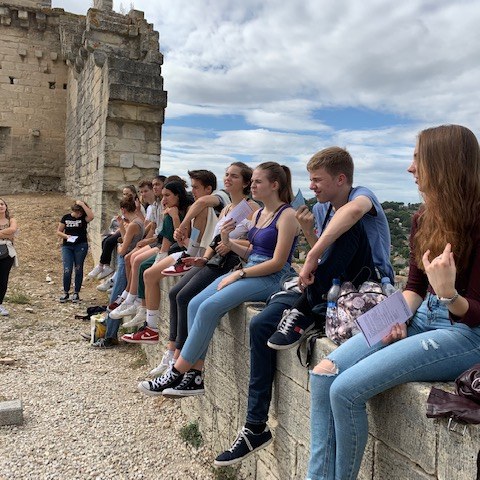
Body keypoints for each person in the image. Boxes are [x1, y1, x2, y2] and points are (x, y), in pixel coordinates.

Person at [305, 124, 480, 480]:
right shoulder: (424, 218)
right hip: (423, 316)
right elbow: (414, 288)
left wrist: (449, 295)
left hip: (464, 332)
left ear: (443, 162)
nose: (410, 168)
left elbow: (474, 313)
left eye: (418, 158)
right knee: (324, 375)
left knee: (345, 391)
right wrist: (383, 320)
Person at [214, 146, 394, 467]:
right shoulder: (322, 209)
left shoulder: (361, 196)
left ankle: (302, 309)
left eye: (317, 180)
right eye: (310, 180)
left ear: (341, 179)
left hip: (366, 288)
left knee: (346, 228)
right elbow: (327, 257)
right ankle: (255, 426)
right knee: (261, 325)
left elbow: (350, 216)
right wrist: (311, 233)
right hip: (327, 287)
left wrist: (311, 255)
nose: (311, 187)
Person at [137, 161, 299, 398]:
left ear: (274, 185)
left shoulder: (288, 215)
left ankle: (177, 371)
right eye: (252, 180)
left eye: (257, 181)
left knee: (209, 307)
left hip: (272, 276)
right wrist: (228, 240)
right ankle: (195, 375)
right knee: (194, 303)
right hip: (252, 268)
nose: (252, 185)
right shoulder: (261, 214)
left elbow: (277, 262)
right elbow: (251, 250)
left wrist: (239, 273)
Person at [148, 162, 259, 376]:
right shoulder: (227, 208)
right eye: (226, 174)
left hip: (229, 263)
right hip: (213, 260)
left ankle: (178, 356)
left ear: (246, 182)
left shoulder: (251, 209)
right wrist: (204, 258)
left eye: (234, 176)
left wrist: (229, 245)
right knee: (174, 293)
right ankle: (173, 351)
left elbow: (255, 245)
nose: (228, 178)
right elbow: (215, 240)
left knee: (185, 297)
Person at [118, 169, 229, 342]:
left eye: (196, 187)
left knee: (174, 292)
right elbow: (185, 239)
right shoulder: (196, 208)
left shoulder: (208, 205)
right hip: (188, 251)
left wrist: (180, 223)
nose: (193, 191)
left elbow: (189, 239)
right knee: (148, 274)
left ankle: (148, 320)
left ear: (208, 189)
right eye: (192, 187)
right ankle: (150, 326)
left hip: (198, 255)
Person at [97, 180, 191, 347]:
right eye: (162, 196)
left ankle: (139, 310)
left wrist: (160, 251)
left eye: (167, 195)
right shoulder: (166, 209)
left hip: (177, 249)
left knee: (141, 265)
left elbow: (180, 238)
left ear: (178, 195)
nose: (164, 199)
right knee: (134, 261)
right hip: (167, 246)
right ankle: (132, 302)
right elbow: (160, 233)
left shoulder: (180, 211)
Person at [88, 183, 150, 281]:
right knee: (105, 240)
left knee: (109, 242)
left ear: (134, 194)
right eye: (124, 194)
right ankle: (105, 266)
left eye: (128, 194)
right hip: (126, 228)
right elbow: (126, 221)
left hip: (131, 232)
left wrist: (120, 245)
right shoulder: (129, 205)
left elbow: (141, 222)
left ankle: (104, 268)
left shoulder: (136, 207)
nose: (125, 196)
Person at [56, 200, 94, 303]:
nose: (79, 215)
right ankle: (66, 292)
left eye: (81, 213)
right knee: (67, 269)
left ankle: (76, 292)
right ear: (73, 210)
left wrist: (82, 204)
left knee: (78, 268)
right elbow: (59, 231)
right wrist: (66, 236)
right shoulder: (66, 217)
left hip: (80, 245)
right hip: (67, 246)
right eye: (78, 212)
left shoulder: (83, 218)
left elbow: (91, 216)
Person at [0, 198, 18, 316]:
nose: (0, 206)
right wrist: (6, 234)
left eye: (2, 204)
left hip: (7, 253)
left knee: (2, 279)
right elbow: (10, 233)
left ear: (5, 206)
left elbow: (13, 230)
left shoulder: (11, 219)